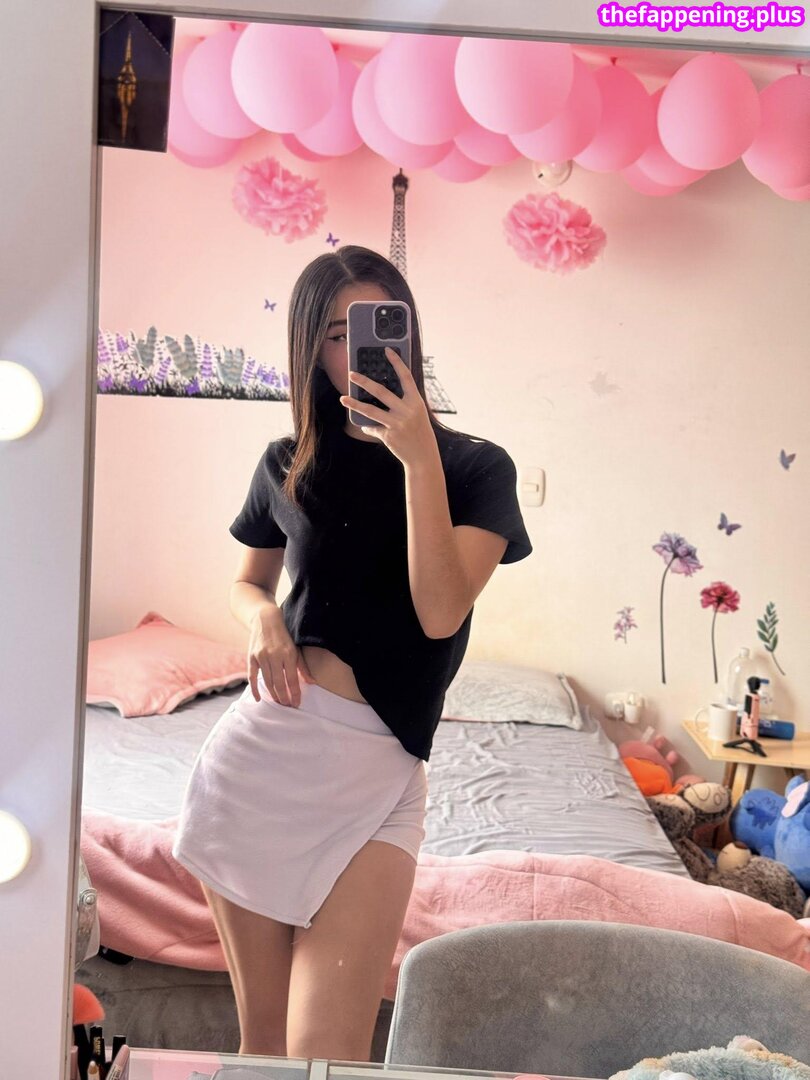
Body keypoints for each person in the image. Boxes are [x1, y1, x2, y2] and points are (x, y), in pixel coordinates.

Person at [172, 246, 532, 1062]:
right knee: (266, 1050)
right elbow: (246, 583)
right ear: (311, 350)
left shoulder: (476, 468)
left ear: (408, 332)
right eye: (336, 334)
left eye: (376, 326)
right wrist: (263, 619)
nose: (358, 349)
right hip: (263, 762)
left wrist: (417, 458)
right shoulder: (287, 461)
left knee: (326, 1053)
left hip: (381, 772)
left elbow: (440, 611)